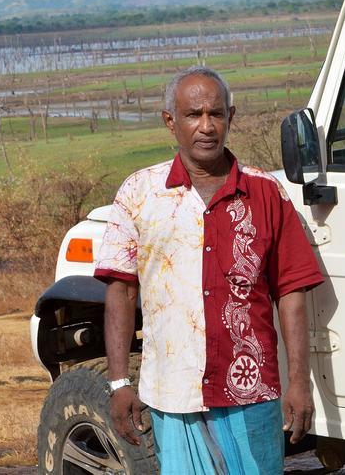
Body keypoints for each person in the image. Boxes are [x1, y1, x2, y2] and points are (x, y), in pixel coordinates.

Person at [94, 66, 325, 474]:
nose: (206, 126)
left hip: (251, 390)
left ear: (230, 118)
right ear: (171, 121)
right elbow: (121, 292)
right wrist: (119, 383)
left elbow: (291, 290)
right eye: (193, 115)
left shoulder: (265, 192)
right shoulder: (140, 193)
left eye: (216, 114)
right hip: (171, 390)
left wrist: (300, 382)